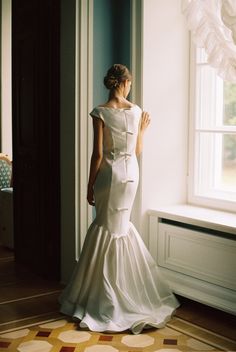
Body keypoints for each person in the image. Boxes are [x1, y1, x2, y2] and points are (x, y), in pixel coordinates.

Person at [59, 64, 179, 335]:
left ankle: (107, 298)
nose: (130, 87)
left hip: (110, 176)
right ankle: (126, 292)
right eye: (130, 83)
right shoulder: (136, 111)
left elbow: (97, 155)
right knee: (120, 229)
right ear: (124, 83)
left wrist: (89, 186)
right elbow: (135, 151)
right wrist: (143, 131)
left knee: (105, 227)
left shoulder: (100, 112)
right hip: (131, 176)